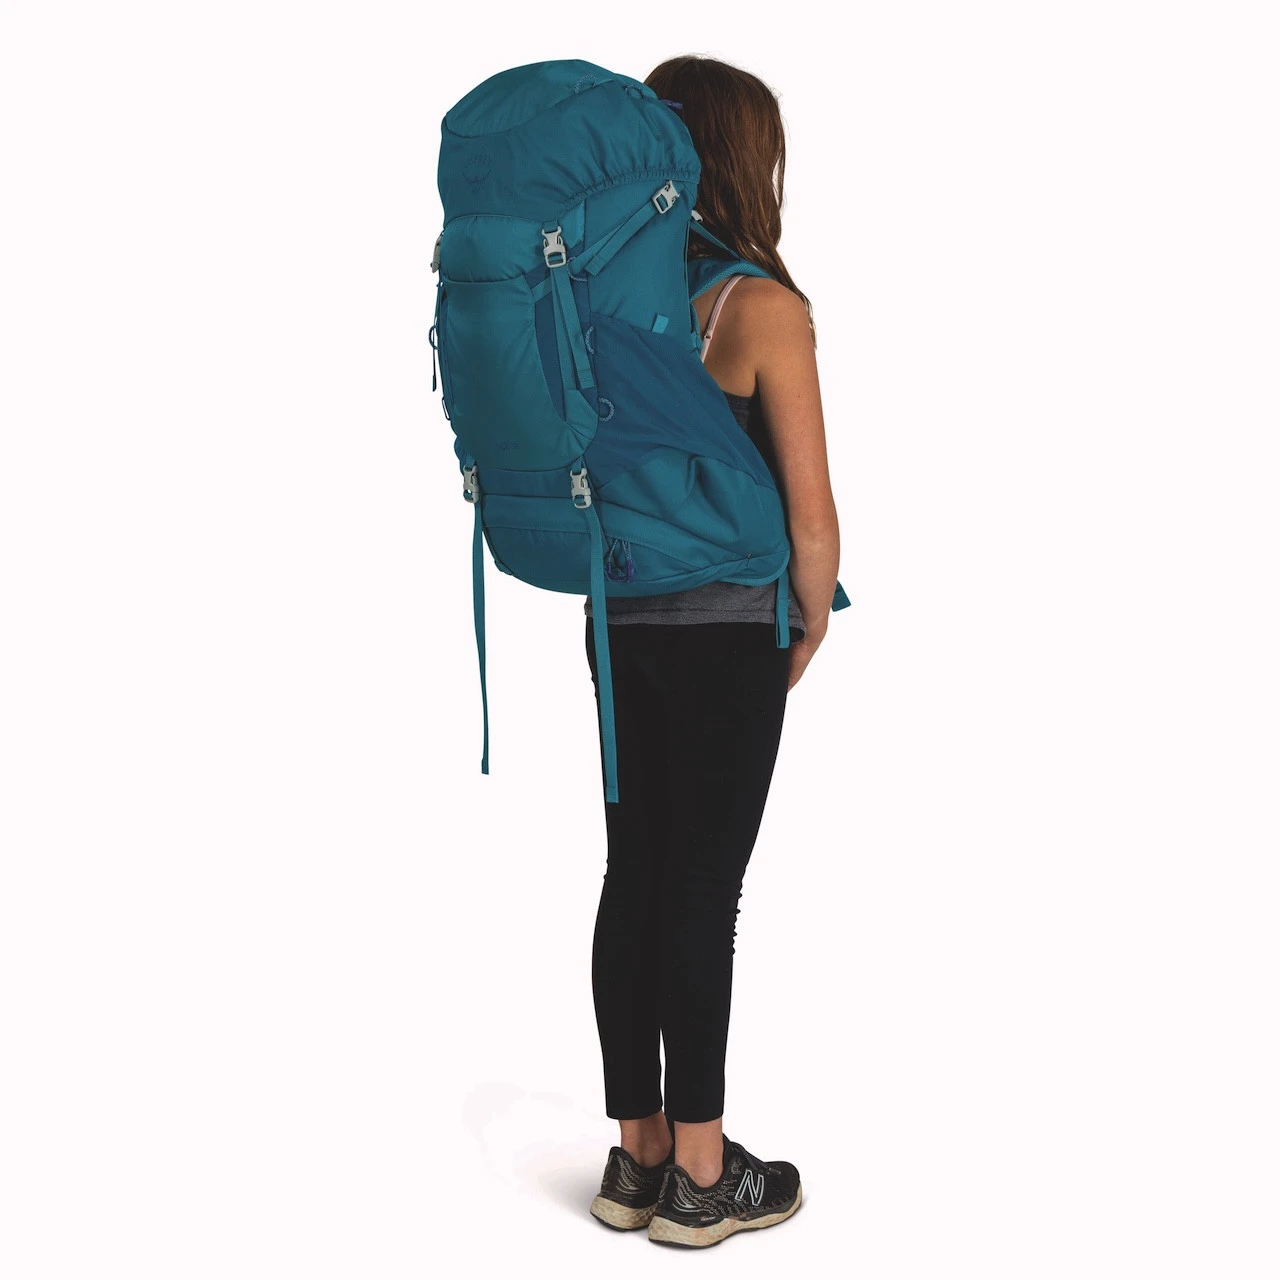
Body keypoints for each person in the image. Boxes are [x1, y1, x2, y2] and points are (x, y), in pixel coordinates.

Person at [584, 56, 842, 1247]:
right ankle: (701, 1173)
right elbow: (810, 519)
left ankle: (635, 1154)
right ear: (743, 159)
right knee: (701, 888)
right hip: (728, 630)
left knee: (632, 872)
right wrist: (806, 621)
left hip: (617, 620)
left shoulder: (596, 297)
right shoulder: (758, 309)